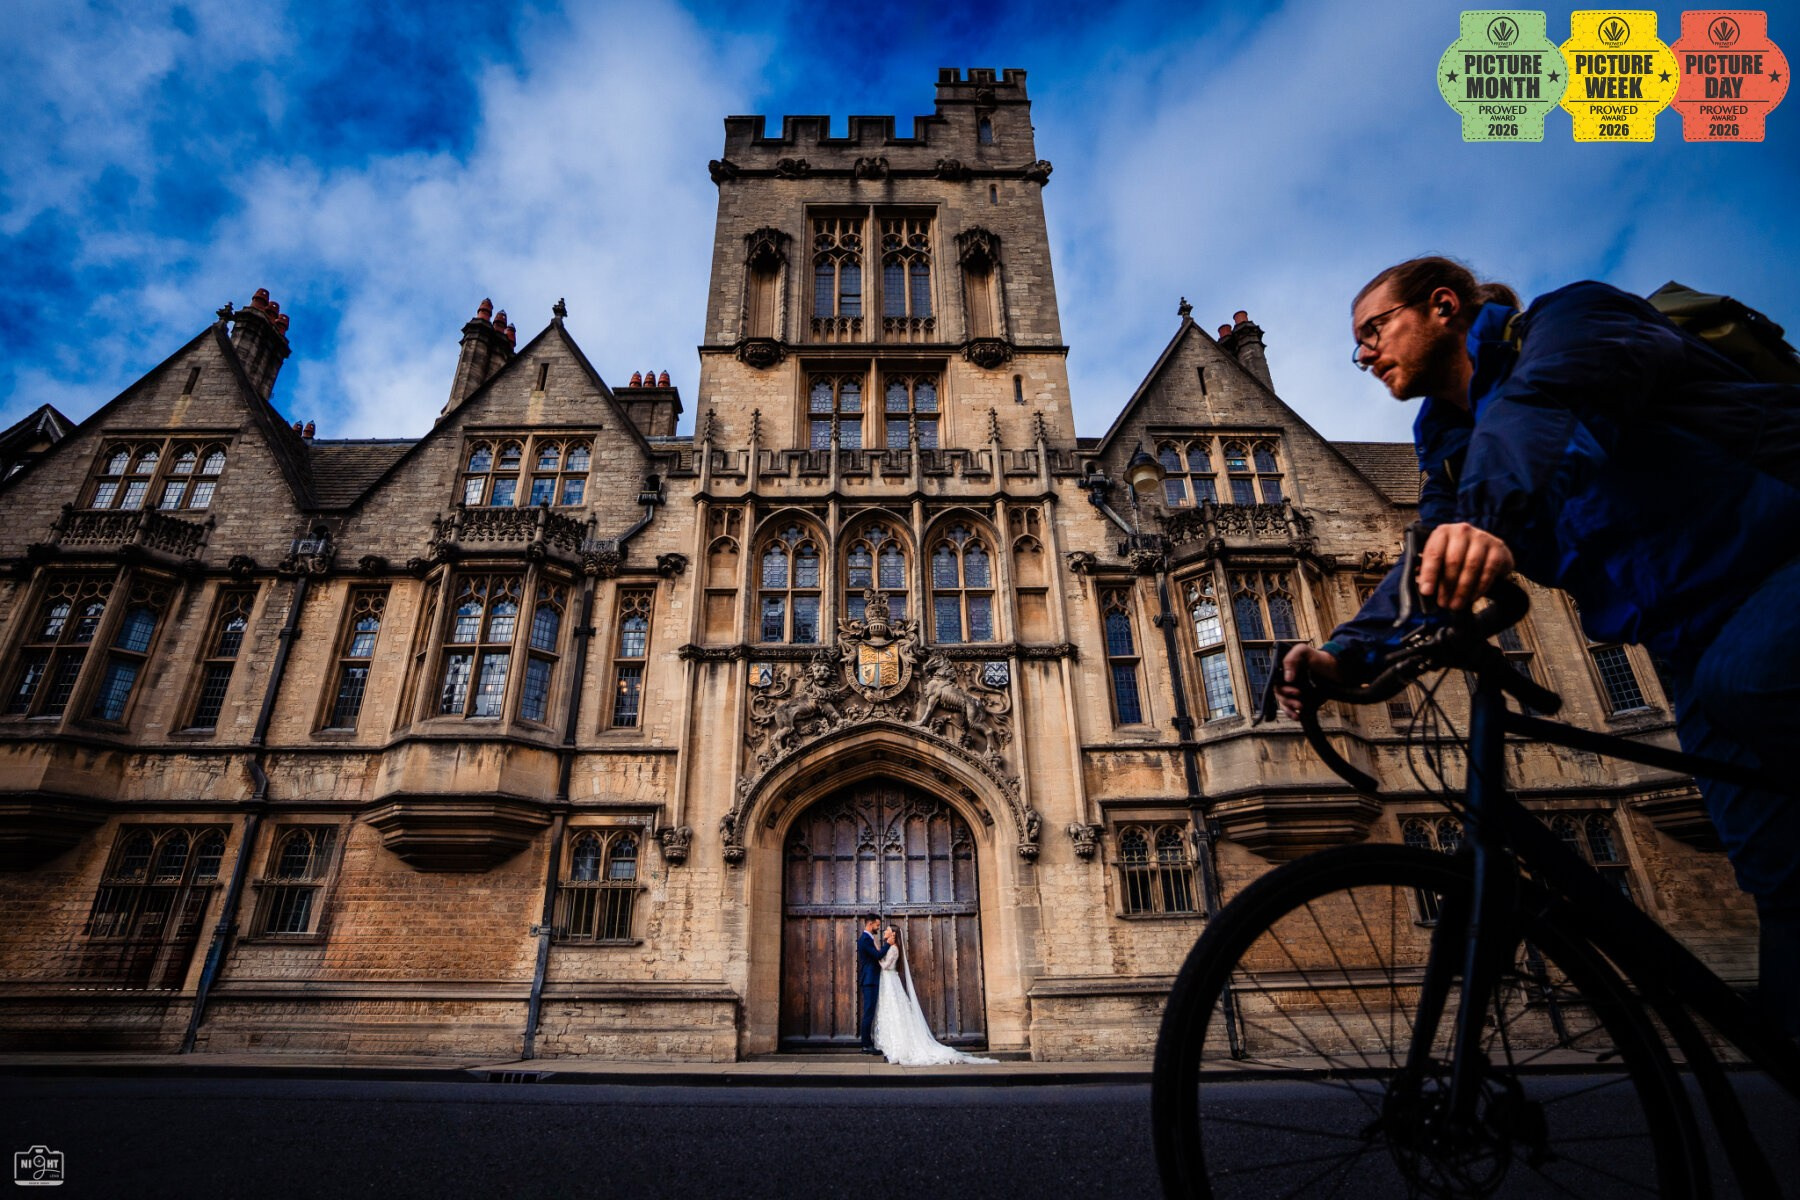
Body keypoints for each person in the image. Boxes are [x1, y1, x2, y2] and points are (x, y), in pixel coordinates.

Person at [1277, 255, 1800, 1034]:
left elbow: (1546, 405)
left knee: (1744, 680)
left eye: (1374, 329)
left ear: (1444, 306)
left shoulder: (1574, 321)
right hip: (1683, 640)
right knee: (1774, 870)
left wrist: (1486, 519)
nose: (1362, 354)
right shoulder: (1450, 442)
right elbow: (1428, 554)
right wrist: (1345, 656)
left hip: (1780, 555)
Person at [870, 925, 996, 1066]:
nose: (884, 932)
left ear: (893, 934)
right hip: (887, 982)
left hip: (891, 983)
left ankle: (899, 1046)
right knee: (890, 1012)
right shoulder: (890, 947)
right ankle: (890, 1043)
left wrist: (876, 954)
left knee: (895, 1011)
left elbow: (885, 965)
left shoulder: (893, 949)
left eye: (887, 930)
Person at [854, 914, 886, 1054]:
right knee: (868, 1013)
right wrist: (889, 944)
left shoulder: (869, 939)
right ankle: (866, 1045)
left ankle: (868, 1043)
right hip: (869, 981)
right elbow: (877, 956)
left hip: (872, 980)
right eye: (877, 925)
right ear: (870, 924)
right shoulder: (865, 940)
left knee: (870, 1012)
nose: (878, 928)